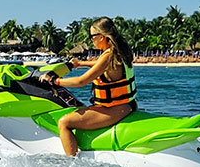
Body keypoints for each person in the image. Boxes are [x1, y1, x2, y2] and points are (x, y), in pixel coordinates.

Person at [39, 16, 137, 156]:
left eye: (93, 36)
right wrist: (81, 63)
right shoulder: (120, 51)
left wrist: (54, 81)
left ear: (102, 36)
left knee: (64, 122)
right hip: (127, 105)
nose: (91, 40)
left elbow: (81, 82)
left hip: (114, 110)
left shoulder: (108, 56)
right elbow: (102, 66)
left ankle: (71, 164)